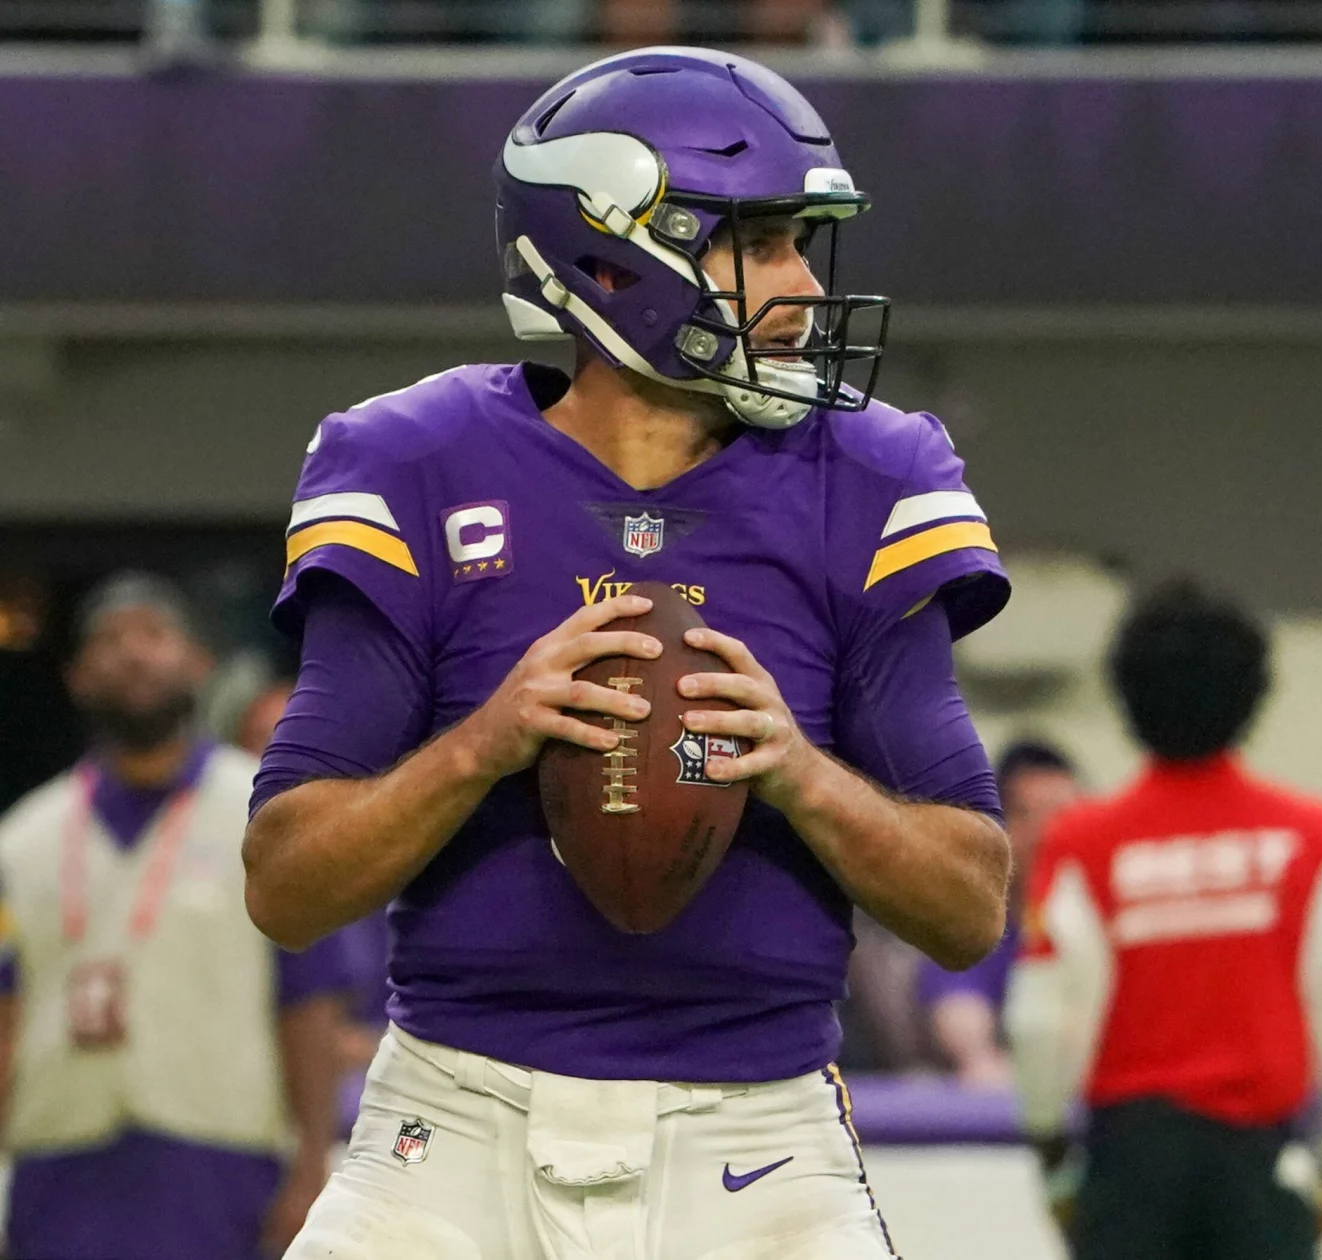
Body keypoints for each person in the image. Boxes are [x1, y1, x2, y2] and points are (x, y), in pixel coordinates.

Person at [245, 48, 1012, 1260]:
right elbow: (285, 889)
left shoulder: (869, 473)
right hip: (452, 1126)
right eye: (761, 242)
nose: (804, 287)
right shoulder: (414, 462)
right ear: (617, 251)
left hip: (756, 1143)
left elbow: (971, 905)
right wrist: (484, 744)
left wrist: (798, 773)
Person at [1007, 578, 1322, 1260]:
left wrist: (1051, 1158)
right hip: (1261, 1172)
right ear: (1252, 691)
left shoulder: (1083, 843)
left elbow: (1040, 1020)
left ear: (1128, 693)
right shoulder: (1308, 836)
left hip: (1128, 1176)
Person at [0, 573, 346, 1260]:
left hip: (220, 1160)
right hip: (57, 1164)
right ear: (75, 676)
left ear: (198, 664)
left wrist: (312, 1160)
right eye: (110, 639)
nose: (132, 654)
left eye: (154, 635)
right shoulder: (22, 837)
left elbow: (308, 1000)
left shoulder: (263, 813)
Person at [918, 740, 1078, 1086]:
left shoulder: (1101, 928)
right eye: (1028, 815)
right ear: (998, 828)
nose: (1046, 834)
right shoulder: (969, 924)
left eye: (1064, 815)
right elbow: (966, 1034)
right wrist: (981, 1059)